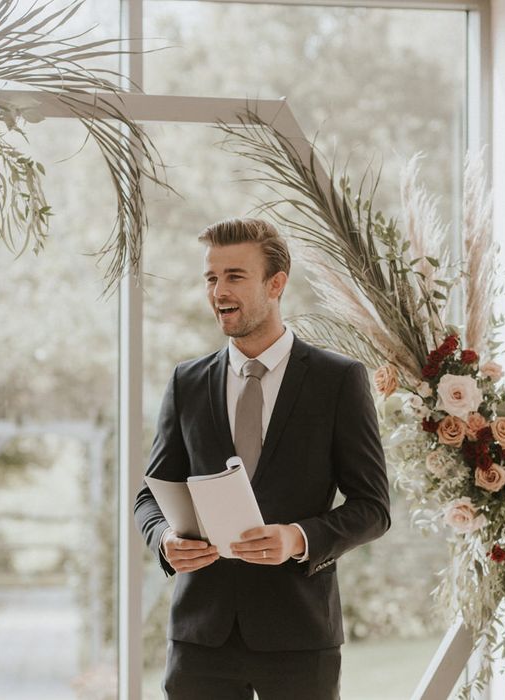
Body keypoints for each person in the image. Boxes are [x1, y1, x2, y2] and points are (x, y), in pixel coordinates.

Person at [134, 217, 391, 699]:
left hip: (299, 637)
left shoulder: (338, 381)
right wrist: (164, 538)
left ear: (276, 284)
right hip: (199, 638)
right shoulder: (185, 384)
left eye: (234, 276)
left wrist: (298, 538)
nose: (218, 291)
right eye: (211, 278)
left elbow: (373, 508)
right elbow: (150, 494)